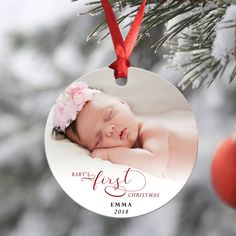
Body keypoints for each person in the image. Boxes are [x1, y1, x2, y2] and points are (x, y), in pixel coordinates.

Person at [52, 81, 197, 181]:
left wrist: (109, 154)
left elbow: (155, 164)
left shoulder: (152, 128)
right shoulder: (130, 153)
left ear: (122, 103)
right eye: (98, 139)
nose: (109, 130)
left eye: (109, 115)